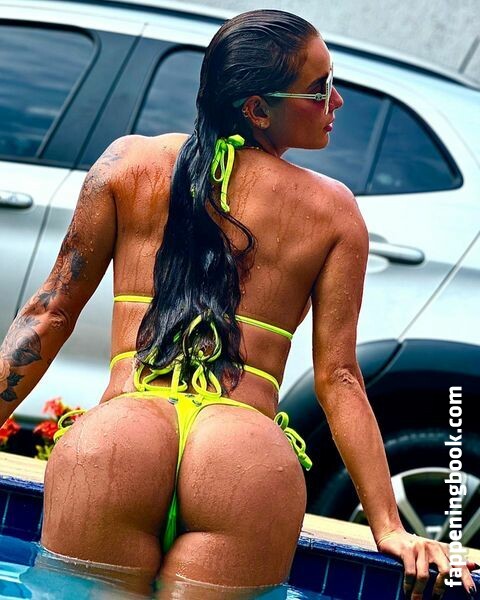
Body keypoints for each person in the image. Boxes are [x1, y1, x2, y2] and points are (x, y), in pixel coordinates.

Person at [0, 8, 477, 600]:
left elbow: (47, 314)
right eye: (320, 89)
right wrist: (390, 527)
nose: (337, 101)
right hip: (245, 463)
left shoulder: (126, 165)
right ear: (257, 110)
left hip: (116, 444)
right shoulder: (333, 211)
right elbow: (339, 377)